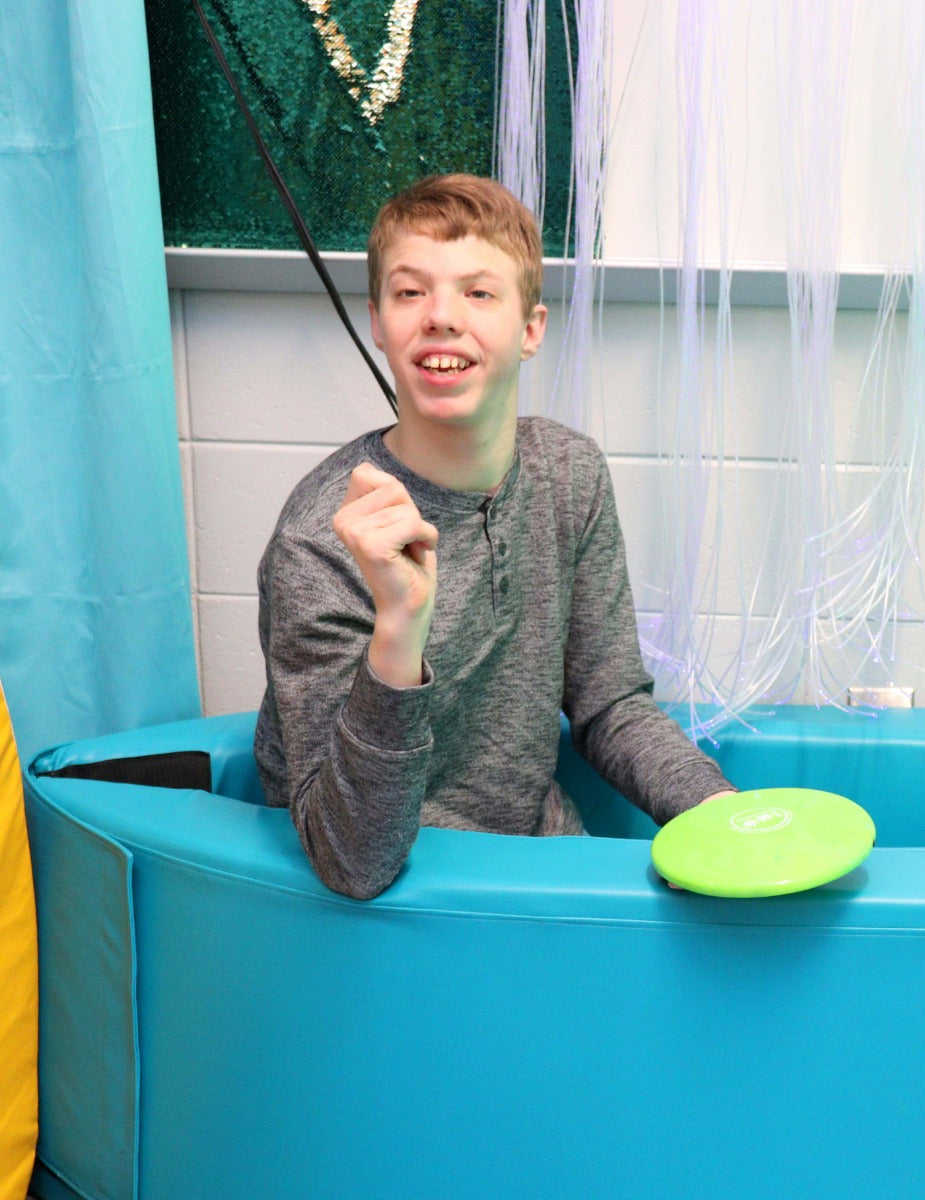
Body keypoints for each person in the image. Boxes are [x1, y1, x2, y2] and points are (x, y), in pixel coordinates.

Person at [254, 173, 734, 899]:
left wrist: (715, 811)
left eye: (478, 293)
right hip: (398, 901)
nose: (441, 316)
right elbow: (352, 861)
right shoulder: (319, 540)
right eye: (410, 292)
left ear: (531, 328)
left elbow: (609, 707)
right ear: (379, 324)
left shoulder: (569, 476)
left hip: (537, 862)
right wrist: (399, 627)